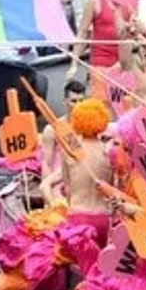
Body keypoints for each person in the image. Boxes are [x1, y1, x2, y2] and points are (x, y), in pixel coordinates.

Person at [38, 98, 114, 244]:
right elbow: (112, 187)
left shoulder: (70, 153)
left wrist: (55, 207)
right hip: (104, 218)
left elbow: (67, 187)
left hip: (78, 216)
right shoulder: (109, 152)